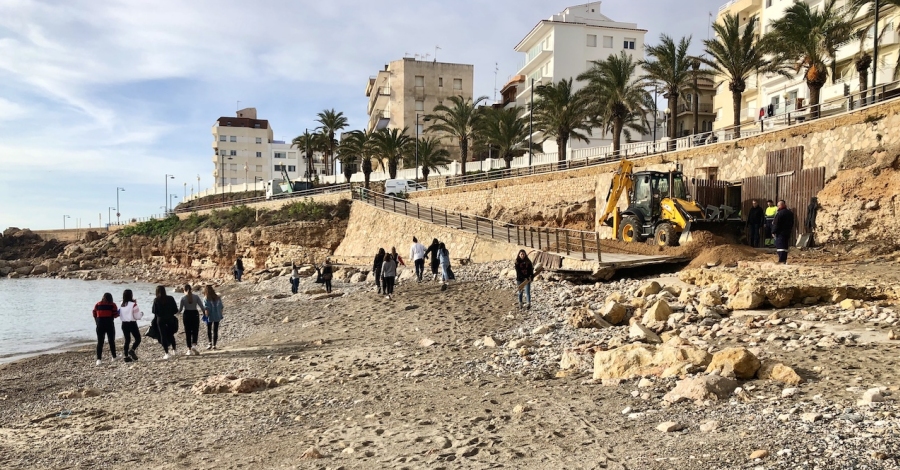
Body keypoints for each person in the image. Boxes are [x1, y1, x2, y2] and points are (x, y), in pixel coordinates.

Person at [151, 285, 179, 360]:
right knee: (171, 334)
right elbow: (176, 310)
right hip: (170, 318)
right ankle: (174, 349)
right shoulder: (170, 298)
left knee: (162, 335)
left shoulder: (156, 300)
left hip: (160, 320)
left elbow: (154, 311)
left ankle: (167, 353)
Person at [92, 292, 119, 365]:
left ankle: (99, 359)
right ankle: (114, 357)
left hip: (100, 324)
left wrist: (96, 322)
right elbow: (115, 315)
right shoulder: (112, 305)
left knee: (100, 342)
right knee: (111, 340)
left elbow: (94, 313)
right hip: (109, 324)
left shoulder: (98, 304)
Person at [179, 284, 205, 356]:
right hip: (195, 314)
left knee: (188, 332)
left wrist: (173, 312)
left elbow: (180, 310)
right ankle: (194, 345)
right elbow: (201, 306)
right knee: (195, 330)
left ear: (184, 290)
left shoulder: (183, 298)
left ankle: (189, 349)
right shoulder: (196, 297)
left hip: (187, 314)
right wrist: (204, 313)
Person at [118, 289, 142, 362]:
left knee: (127, 340)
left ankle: (126, 356)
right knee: (138, 338)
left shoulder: (121, 304)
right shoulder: (133, 305)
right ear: (131, 295)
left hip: (124, 323)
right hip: (132, 323)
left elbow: (119, 313)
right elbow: (137, 316)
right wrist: (142, 314)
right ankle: (132, 349)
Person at [772, 200, 795, 264]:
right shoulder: (790, 213)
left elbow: (776, 223)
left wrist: (773, 231)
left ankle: (781, 260)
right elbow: (792, 223)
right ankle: (784, 259)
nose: (777, 207)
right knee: (785, 246)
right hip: (787, 232)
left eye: (778, 205)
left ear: (780, 205)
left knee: (780, 246)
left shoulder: (779, 214)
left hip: (780, 232)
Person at [202, 285, 224, 350]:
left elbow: (206, 308)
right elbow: (221, 307)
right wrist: (220, 314)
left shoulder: (206, 298)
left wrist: (206, 316)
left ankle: (210, 343)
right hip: (217, 315)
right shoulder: (217, 297)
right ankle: (214, 345)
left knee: (209, 329)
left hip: (210, 316)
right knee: (215, 330)